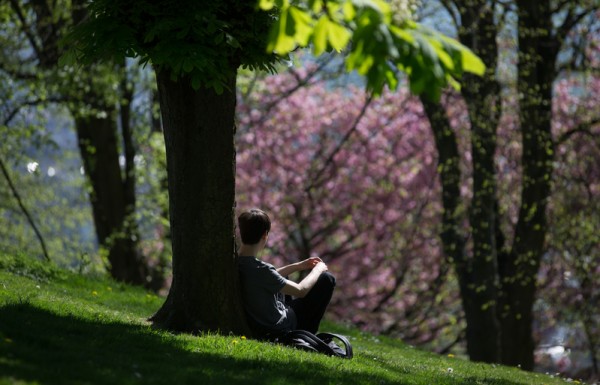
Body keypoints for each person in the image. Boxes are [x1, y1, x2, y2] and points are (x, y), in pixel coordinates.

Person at [237, 208, 336, 337]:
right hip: (282, 327)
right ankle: (308, 331)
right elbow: (301, 290)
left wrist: (298, 266)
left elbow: (267, 278)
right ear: (264, 236)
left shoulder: (237, 262)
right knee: (327, 279)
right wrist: (318, 269)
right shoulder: (262, 269)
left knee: (283, 276)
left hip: (265, 319)